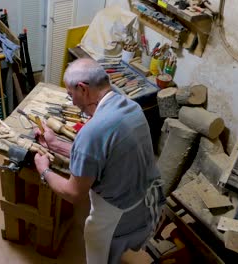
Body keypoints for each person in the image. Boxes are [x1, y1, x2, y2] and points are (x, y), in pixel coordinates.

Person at [34, 58, 165, 264]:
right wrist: (54, 143)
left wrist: (44, 171)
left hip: (118, 215)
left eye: (71, 95)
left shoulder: (92, 132)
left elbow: (73, 192)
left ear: (83, 89)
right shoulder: (131, 106)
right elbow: (98, 156)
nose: (73, 103)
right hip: (146, 201)